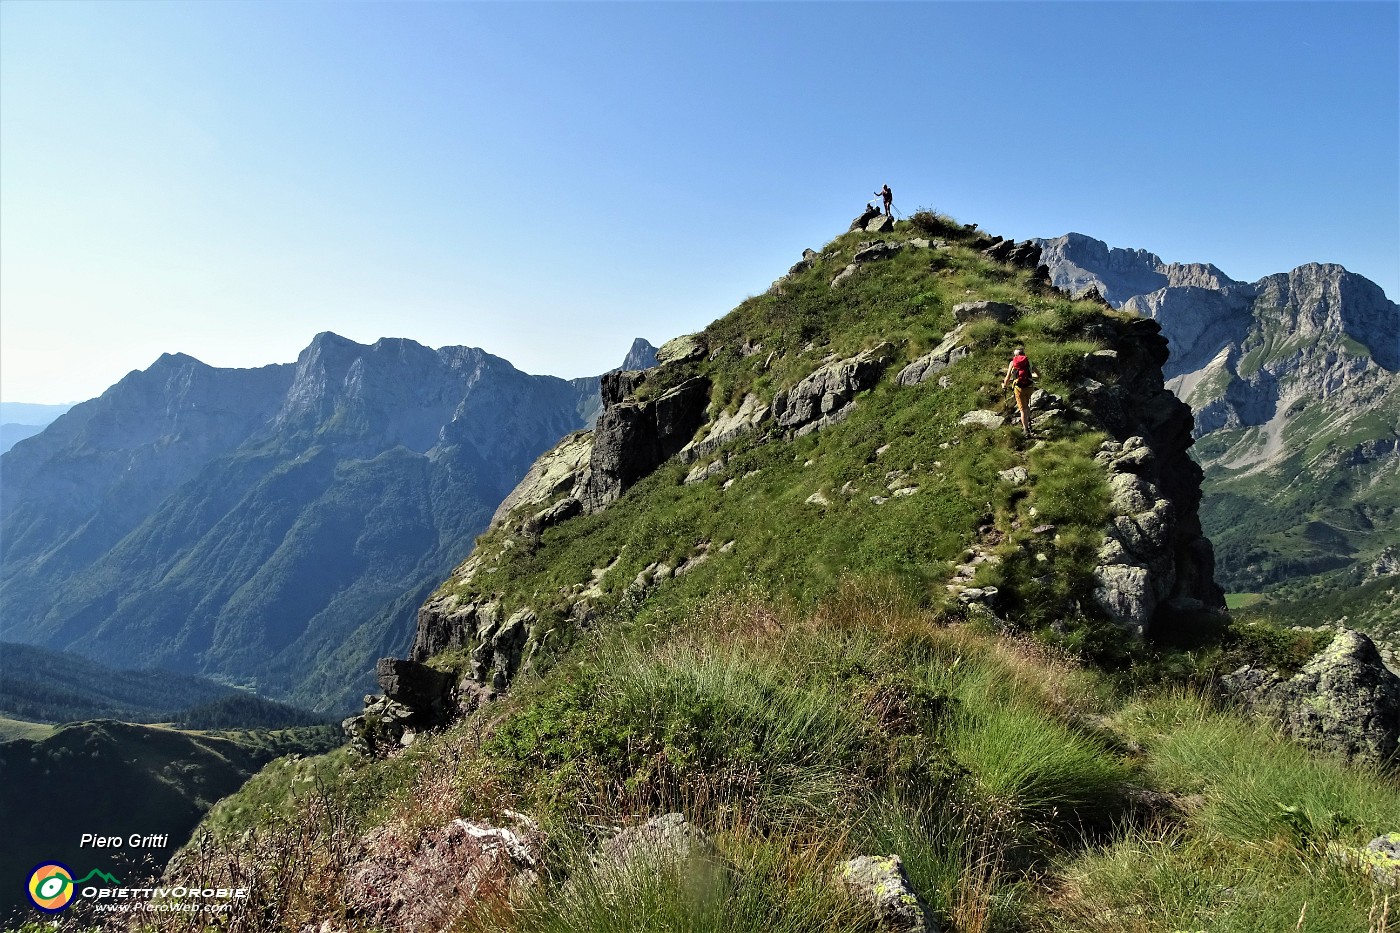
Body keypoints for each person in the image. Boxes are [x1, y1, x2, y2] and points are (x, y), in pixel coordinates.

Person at [1001, 345, 1040, 436]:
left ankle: (1026, 430)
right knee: (1026, 406)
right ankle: (1029, 423)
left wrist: (1004, 386)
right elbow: (1038, 376)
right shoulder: (1029, 362)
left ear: (1016, 355)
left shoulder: (1012, 363)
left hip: (1019, 389)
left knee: (1022, 410)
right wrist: (1030, 376)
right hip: (1029, 387)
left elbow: (1007, 378)